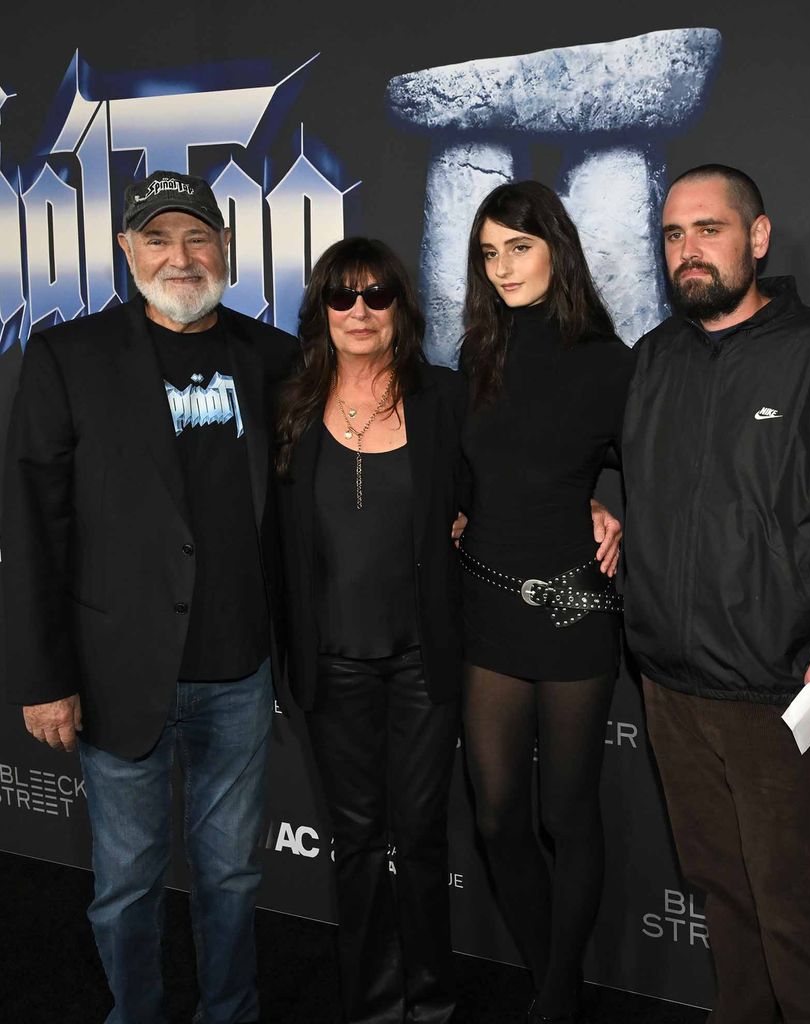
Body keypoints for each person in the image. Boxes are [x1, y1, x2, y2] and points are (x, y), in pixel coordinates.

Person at [2, 170, 298, 1024]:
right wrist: (40, 675)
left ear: (227, 251)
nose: (181, 255)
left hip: (238, 673)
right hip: (115, 671)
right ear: (127, 251)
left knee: (234, 876)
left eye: (198, 236)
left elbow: (368, 440)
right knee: (127, 884)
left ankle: (228, 1012)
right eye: (159, 238)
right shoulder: (69, 358)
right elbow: (31, 526)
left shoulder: (273, 356)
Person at [621, 164, 810, 1024]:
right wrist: (591, 505)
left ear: (757, 237)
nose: (687, 252)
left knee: (793, 913)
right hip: (670, 689)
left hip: (783, 693)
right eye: (672, 235)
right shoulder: (653, 358)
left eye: (707, 229)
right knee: (721, 900)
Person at [275, 237, 466, 1024]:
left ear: (400, 308)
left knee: (418, 838)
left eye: (376, 295)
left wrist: (590, 505)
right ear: (321, 309)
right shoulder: (286, 404)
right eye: (342, 296)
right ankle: (372, 1006)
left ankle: (430, 1005)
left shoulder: (445, 399)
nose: (359, 311)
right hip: (329, 663)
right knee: (355, 843)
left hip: (424, 660)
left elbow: (516, 483)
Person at [457, 180, 635, 1024]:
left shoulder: (610, 360)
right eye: (489, 252)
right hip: (488, 602)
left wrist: (618, 510)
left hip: (572, 606)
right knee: (496, 816)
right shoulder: (475, 354)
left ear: (556, 248)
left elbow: (660, 474)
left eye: (518, 247)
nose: (502, 267)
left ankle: (558, 994)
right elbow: (465, 474)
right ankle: (544, 970)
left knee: (567, 813)